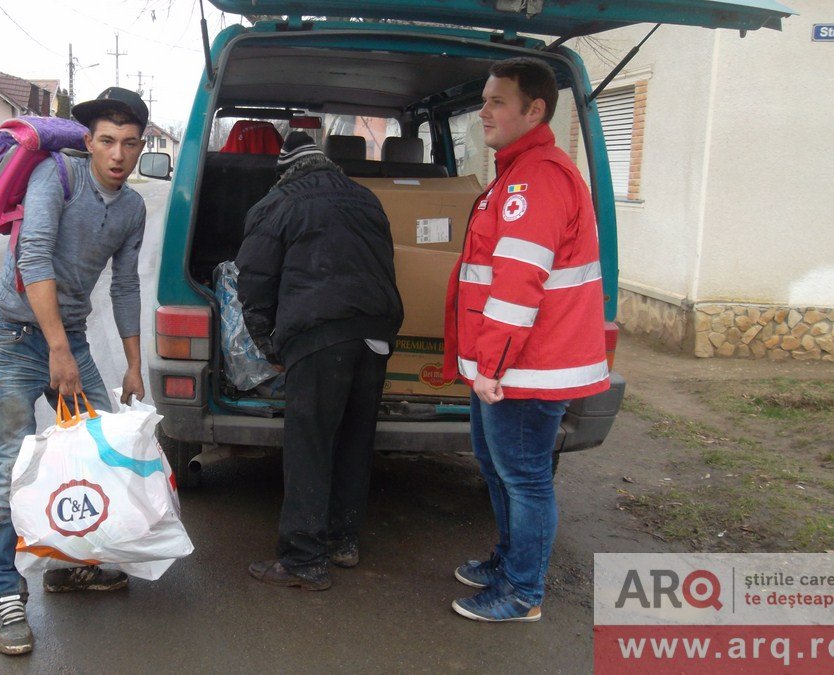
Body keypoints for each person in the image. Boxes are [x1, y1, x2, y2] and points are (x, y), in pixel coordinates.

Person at [0, 87, 149, 655]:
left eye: (128, 143)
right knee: (9, 468)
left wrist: (132, 364)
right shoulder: (57, 175)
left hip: (65, 338)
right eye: (107, 141)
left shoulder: (132, 209)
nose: (117, 154)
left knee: (99, 454)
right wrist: (58, 351)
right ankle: (5, 593)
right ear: (89, 141)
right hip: (12, 335)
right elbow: (33, 258)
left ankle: (68, 565)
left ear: (141, 146)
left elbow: (126, 284)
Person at [443, 58, 610, 622]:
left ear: (534, 109)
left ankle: (522, 592)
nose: (483, 111)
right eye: (484, 99)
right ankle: (510, 561)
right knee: (499, 470)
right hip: (513, 365)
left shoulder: (535, 179)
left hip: (526, 369)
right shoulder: (518, 172)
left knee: (524, 478)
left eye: (496, 101)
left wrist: (489, 366)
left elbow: (518, 285)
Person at [237, 132, 404, 591]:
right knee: (354, 438)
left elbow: (253, 281)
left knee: (311, 443)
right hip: (376, 332)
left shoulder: (278, 203)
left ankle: (303, 559)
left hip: (320, 335)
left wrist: (270, 347)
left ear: (285, 168)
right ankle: (343, 541)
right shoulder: (367, 198)